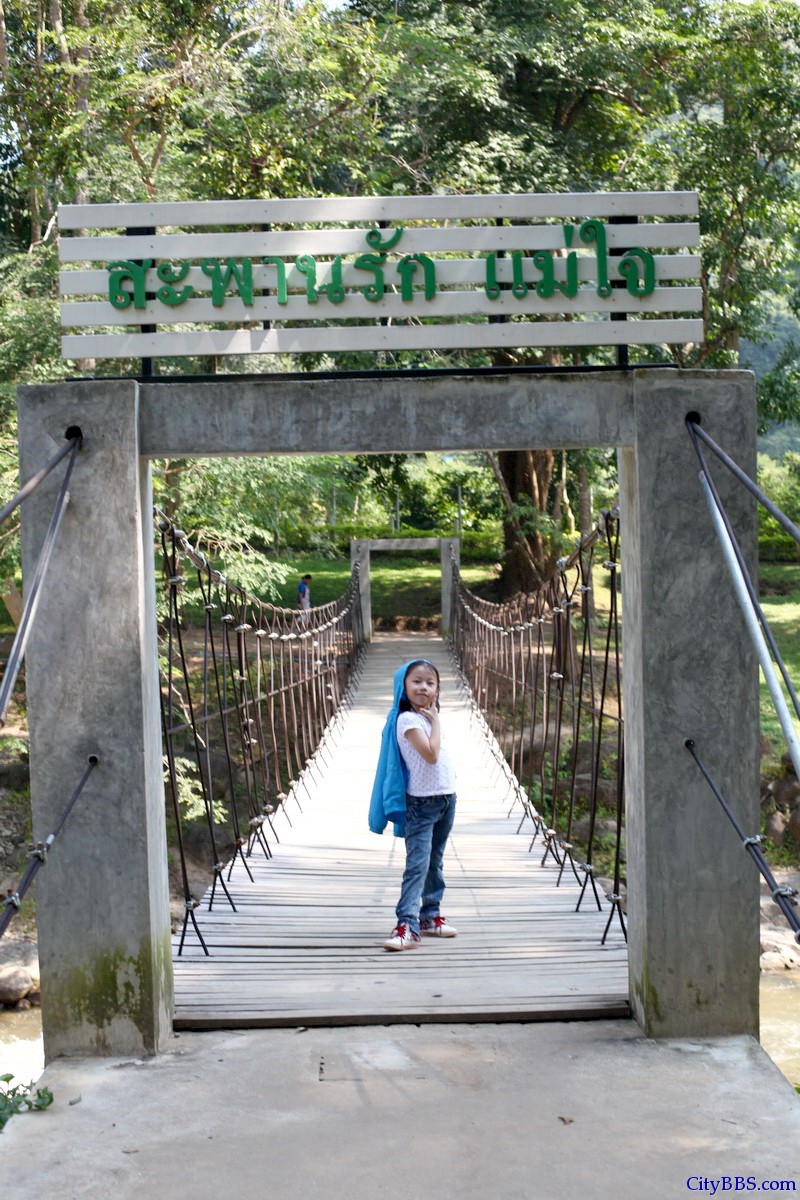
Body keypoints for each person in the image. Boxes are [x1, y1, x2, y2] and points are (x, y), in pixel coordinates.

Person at [368, 658, 458, 951]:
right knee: (417, 865)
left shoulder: (426, 720)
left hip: (446, 798)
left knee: (435, 861)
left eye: (430, 682)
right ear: (403, 688)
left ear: (437, 690)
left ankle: (430, 915)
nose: (423, 687)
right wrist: (436, 721)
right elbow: (431, 754)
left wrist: (433, 720)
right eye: (416, 681)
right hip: (421, 803)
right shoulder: (407, 720)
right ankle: (407, 923)